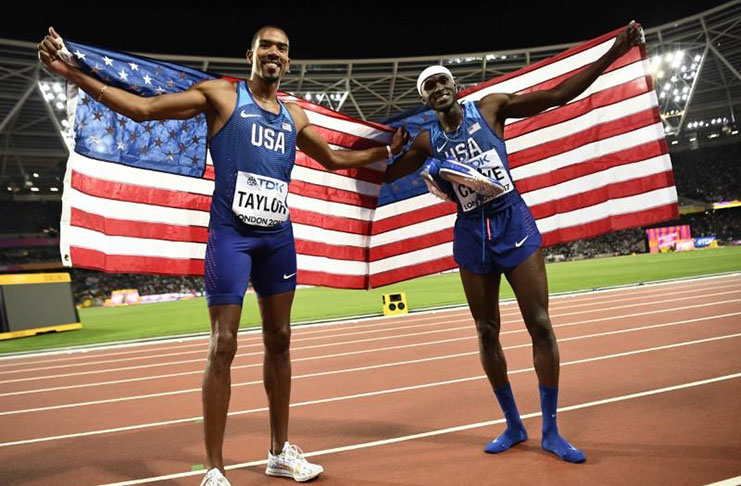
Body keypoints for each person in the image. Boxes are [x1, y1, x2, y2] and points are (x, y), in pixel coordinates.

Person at [38, 25, 407, 485]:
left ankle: (278, 451)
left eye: (282, 48)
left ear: (288, 61)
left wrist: (384, 151)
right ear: (250, 54)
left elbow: (333, 160)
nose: (274, 53)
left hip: (277, 238)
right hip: (231, 236)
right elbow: (143, 108)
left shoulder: (293, 116)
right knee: (224, 344)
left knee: (281, 339)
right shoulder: (222, 96)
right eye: (267, 46)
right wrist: (71, 72)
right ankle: (214, 468)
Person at [385, 22, 643, 463]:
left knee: (539, 324)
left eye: (442, 80)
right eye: (429, 86)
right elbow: (388, 176)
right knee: (486, 331)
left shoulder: (490, 108)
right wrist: (392, 151)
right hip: (471, 234)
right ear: (425, 101)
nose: (437, 87)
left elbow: (559, 96)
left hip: (513, 223)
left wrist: (615, 50)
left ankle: (551, 431)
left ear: (456, 86)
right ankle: (512, 423)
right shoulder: (427, 141)